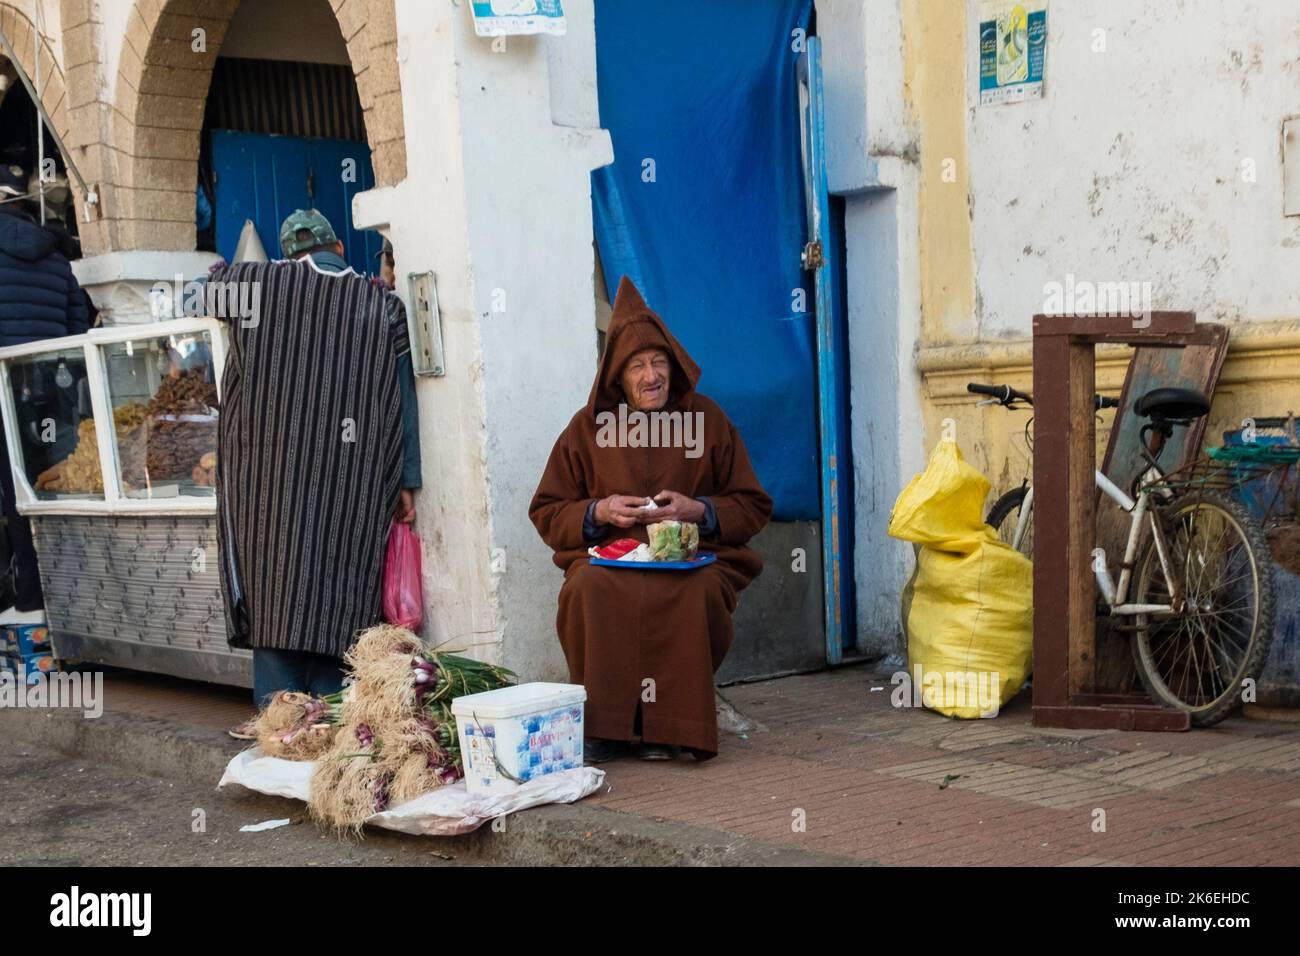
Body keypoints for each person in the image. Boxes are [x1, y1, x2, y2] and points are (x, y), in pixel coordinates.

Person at [529, 277, 771, 762]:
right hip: (608, 562)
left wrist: (699, 510)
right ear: (617, 377)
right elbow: (547, 508)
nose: (650, 376)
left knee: (694, 591)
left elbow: (752, 503)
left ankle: (674, 728)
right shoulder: (587, 428)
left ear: (673, 366)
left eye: (658, 362)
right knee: (586, 590)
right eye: (636, 366)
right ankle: (605, 727)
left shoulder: (707, 420)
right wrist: (597, 511)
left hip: (694, 558)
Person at [217, 209, 422, 739]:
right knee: (341, 589)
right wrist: (406, 477)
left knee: (276, 583)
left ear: (292, 255)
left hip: (268, 481)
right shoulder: (382, 304)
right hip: (353, 481)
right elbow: (404, 399)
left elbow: (205, 292)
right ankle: (331, 718)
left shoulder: (259, 284)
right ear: (337, 245)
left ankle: (278, 722)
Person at [0, 162, 90, 626]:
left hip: (4, 394)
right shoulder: (56, 258)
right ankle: (68, 595)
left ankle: (29, 601)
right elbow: (79, 326)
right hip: (52, 396)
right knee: (53, 488)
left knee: (13, 496)